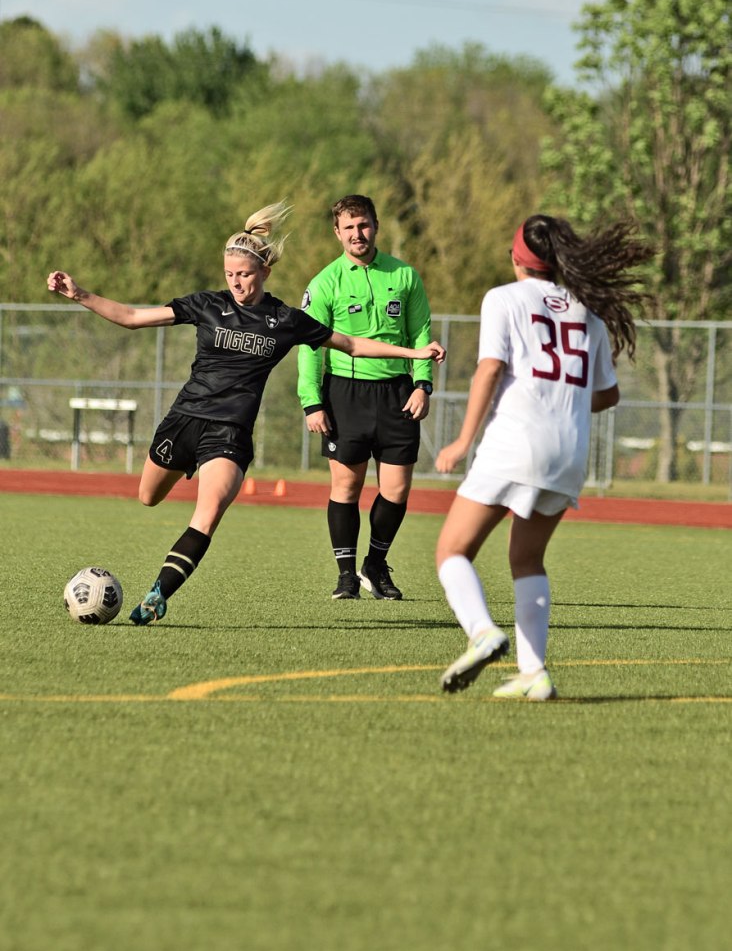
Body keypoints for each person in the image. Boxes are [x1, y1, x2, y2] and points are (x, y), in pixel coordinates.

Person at [47, 201, 445, 626]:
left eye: (245, 274)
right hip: (184, 421)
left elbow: (351, 344)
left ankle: (157, 595)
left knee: (209, 513)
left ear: (265, 272)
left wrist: (414, 353)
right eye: (230, 274)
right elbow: (131, 317)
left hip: (230, 433)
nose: (237, 282)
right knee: (148, 496)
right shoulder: (206, 305)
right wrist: (80, 294)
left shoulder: (285, 319)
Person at [435, 214, 651, 699]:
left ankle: (482, 633)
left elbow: (489, 370)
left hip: (515, 442)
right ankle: (534, 673)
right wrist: (562, 397)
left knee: (452, 551)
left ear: (516, 257)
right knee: (527, 558)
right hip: (569, 451)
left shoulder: (503, 298)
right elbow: (608, 395)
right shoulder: (588, 311)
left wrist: (463, 440)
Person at [297, 194, 435, 601]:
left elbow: (421, 334)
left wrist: (422, 385)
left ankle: (375, 565)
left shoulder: (405, 275)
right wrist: (312, 401)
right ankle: (346, 576)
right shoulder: (325, 282)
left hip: (398, 392)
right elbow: (309, 347)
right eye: (349, 227)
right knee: (347, 486)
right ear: (337, 232)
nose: (357, 233)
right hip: (346, 394)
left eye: (364, 225)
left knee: (397, 489)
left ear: (376, 226)